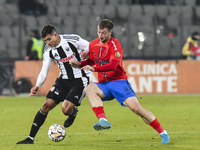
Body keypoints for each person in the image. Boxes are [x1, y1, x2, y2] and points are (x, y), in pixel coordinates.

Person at [69, 19, 170, 144]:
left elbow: (113, 65)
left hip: (118, 82)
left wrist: (94, 68)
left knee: (137, 109)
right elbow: (90, 62)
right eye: (99, 32)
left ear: (110, 32)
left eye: (104, 33)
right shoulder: (93, 44)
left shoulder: (115, 45)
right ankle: (103, 120)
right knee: (89, 89)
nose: (101, 36)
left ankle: (162, 132)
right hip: (104, 84)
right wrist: (78, 64)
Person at [16, 24, 90, 144]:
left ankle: (72, 112)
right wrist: (37, 86)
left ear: (55, 35)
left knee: (65, 109)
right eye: (45, 41)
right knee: (46, 105)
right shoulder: (48, 50)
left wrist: (86, 53)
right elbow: (44, 70)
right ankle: (30, 138)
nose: (48, 43)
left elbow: (90, 47)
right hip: (63, 80)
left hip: (79, 80)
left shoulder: (72, 40)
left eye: (49, 39)